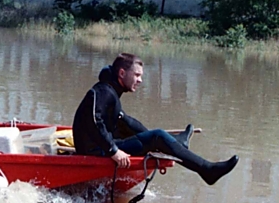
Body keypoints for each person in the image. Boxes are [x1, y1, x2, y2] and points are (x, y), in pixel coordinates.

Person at [72, 53, 238, 186]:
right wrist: (113, 151)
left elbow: (124, 121)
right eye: (136, 75)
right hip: (94, 152)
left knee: (128, 123)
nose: (140, 80)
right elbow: (93, 120)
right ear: (122, 73)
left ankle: (174, 143)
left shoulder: (110, 90)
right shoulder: (104, 91)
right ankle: (206, 169)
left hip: (97, 147)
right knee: (157, 136)